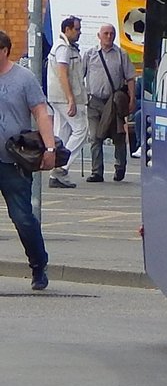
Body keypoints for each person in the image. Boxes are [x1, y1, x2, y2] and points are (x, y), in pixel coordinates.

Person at [0, 30, 58, 290]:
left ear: (4, 50)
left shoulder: (23, 78)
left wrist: (49, 148)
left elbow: (41, 112)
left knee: (23, 217)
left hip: (12, 161)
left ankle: (38, 265)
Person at [82, 23, 136, 182]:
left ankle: (120, 168)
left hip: (114, 103)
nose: (108, 36)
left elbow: (130, 78)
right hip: (95, 102)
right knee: (94, 137)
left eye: (111, 33)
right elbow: (80, 76)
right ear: (99, 36)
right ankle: (96, 171)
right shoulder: (90, 54)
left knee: (118, 136)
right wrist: (82, 97)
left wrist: (132, 99)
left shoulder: (121, 54)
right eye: (105, 33)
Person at [46, 16, 86, 188]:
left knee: (61, 133)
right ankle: (61, 168)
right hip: (64, 97)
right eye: (76, 29)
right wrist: (71, 99)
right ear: (67, 29)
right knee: (81, 130)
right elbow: (63, 73)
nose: (79, 32)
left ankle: (56, 171)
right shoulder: (63, 48)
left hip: (57, 97)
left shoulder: (65, 47)